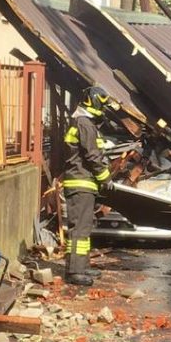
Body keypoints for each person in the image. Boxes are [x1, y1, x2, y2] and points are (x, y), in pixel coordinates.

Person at [61, 85, 113, 286]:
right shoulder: (85, 124)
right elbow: (92, 155)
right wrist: (105, 178)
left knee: (84, 228)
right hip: (80, 183)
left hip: (84, 183)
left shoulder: (85, 122)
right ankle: (74, 272)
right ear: (95, 102)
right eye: (103, 104)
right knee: (79, 230)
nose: (105, 109)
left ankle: (82, 267)